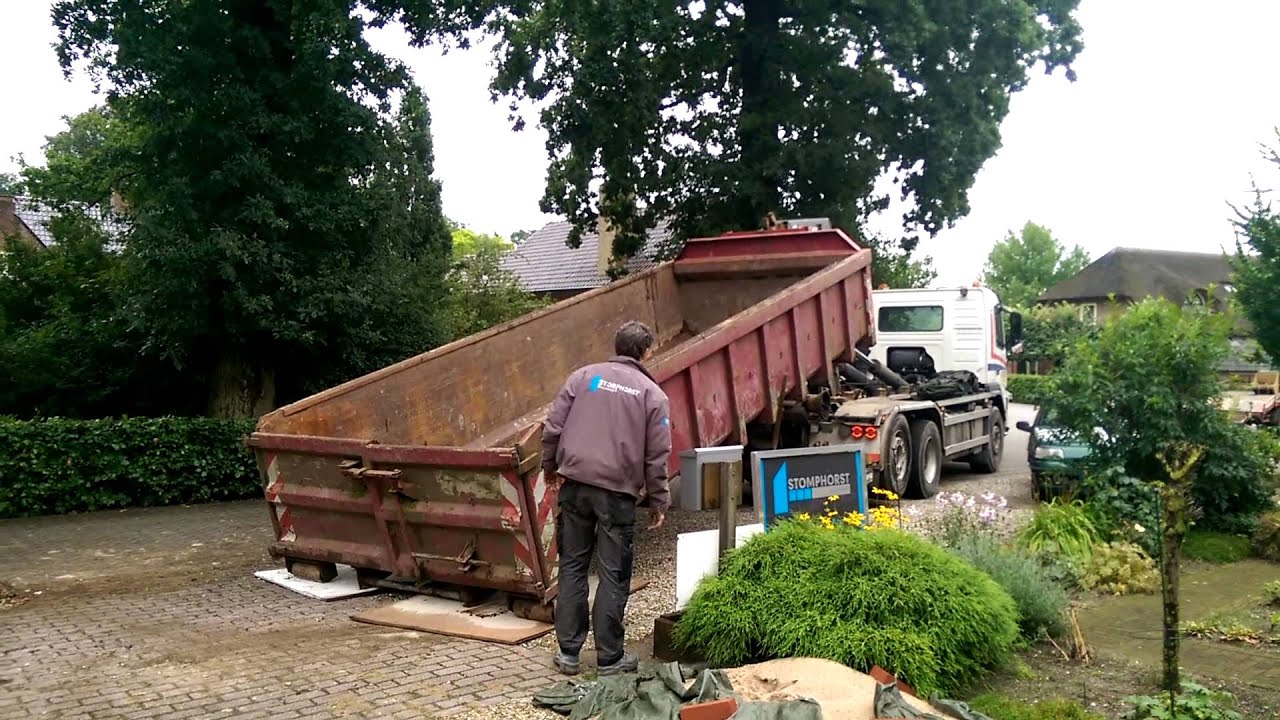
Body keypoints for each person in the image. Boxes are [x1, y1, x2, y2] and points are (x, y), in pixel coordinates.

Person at [541, 320, 672, 676]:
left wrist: (550, 467)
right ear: (646, 352)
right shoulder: (652, 395)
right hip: (617, 493)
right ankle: (610, 659)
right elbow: (657, 455)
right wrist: (658, 499)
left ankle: (568, 654)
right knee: (613, 574)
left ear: (616, 346)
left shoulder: (582, 378)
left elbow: (553, 427)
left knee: (573, 565)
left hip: (575, 485)